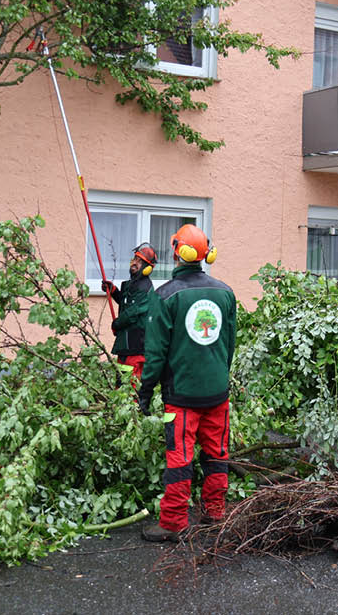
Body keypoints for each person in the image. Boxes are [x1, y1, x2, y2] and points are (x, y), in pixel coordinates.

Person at [137, 224, 237, 543]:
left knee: (179, 459)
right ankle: (215, 512)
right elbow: (230, 344)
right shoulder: (226, 293)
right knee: (217, 453)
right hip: (218, 394)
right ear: (206, 253)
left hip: (180, 397)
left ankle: (174, 522)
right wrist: (219, 375)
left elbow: (154, 354)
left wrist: (145, 391)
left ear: (178, 251)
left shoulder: (164, 296)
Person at [101, 243, 158, 391]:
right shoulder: (132, 284)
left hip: (135, 345)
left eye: (139, 261)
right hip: (127, 345)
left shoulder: (144, 287)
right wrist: (113, 291)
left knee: (129, 386)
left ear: (147, 267)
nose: (134, 263)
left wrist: (116, 324)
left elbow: (132, 313)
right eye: (134, 259)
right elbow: (126, 303)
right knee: (122, 381)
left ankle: (132, 411)